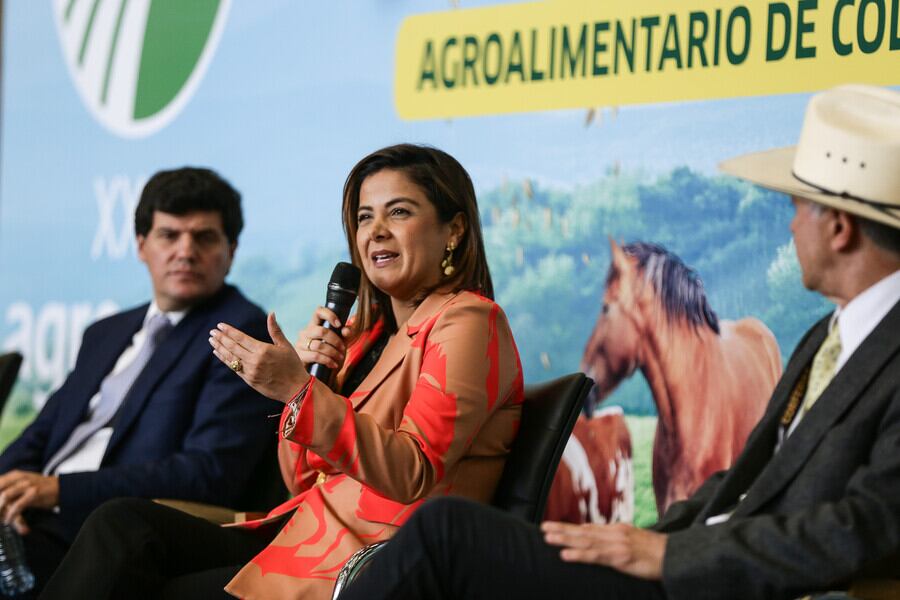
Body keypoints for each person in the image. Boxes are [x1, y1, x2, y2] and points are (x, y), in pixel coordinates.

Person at [337, 84, 900, 600]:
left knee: (445, 531)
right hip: (684, 561)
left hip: (714, 581)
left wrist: (670, 554)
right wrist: (643, 540)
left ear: (840, 228)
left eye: (799, 209)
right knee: (453, 536)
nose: (791, 228)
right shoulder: (822, 339)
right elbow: (751, 481)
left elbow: (871, 524)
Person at [41, 144, 524, 599]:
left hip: (366, 562)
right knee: (121, 525)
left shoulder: (467, 320)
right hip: (303, 538)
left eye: (398, 211)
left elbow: (414, 471)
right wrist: (315, 382)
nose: (375, 230)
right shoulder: (365, 336)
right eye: (363, 217)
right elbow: (300, 480)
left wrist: (298, 390)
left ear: (454, 230)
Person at [0, 167, 282, 592]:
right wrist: (8, 493)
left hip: (102, 526)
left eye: (204, 238)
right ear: (141, 246)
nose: (185, 251)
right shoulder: (107, 332)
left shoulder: (241, 335)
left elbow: (208, 472)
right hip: (34, 521)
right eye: (169, 235)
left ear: (232, 249)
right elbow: (42, 434)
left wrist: (60, 491)